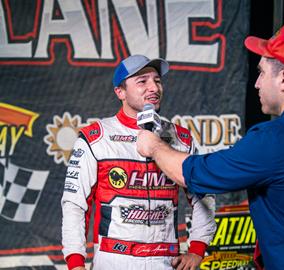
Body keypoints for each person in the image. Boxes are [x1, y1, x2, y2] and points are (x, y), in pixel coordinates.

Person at [136, 22, 284, 269]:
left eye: (261, 73)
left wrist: (154, 146)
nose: (257, 83)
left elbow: (196, 174)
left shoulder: (273, 140)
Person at [61, 55, 217, 270]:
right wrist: (75, 262)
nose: (154, 87)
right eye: (142, 81)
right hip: (114, 260)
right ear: (120, 92)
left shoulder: (180, 138)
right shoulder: (96, 138)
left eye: (158, 80)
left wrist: (197, 249)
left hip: (166, 260)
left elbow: (204, 196)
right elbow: (75, 205)